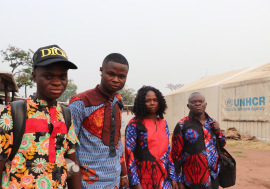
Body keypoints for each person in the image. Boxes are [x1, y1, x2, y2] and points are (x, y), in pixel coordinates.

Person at [0, 45, 81, 189]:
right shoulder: (13, 113)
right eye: (48, 76)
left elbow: (72, 162)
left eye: (62, 76)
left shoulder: (66, 115)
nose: (57, 82)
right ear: (34, 77)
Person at [68, 53, 129, 189]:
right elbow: (69, 146)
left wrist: (123, 174)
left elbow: (117, 140)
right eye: (111, 74)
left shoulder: (118, 101)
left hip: (114, 180)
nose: (116, 80)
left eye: (121, 76)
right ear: (101, 71)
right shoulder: (81, 102)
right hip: (87, 182)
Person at [125, 86, 178, 189]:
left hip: (164, 181)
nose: (152, 103)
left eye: (155, 100)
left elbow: (168, 152)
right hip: (143, 181)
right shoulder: (134, 124)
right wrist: (135, 183)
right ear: (141, 103)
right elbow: (129, 155)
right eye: (147, 101)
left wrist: (173, 177)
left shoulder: (164, 123)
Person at [171, 92, 227, 189]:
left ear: (206, 104)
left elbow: (222, 144)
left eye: (201, 101)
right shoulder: (182, 125)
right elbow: (176, 155)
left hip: (212, 177)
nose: (198, 104)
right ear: (188, 106)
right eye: (194, 102)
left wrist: (218, 131)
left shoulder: (212, 123)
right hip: (191, 180)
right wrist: (178, 180)